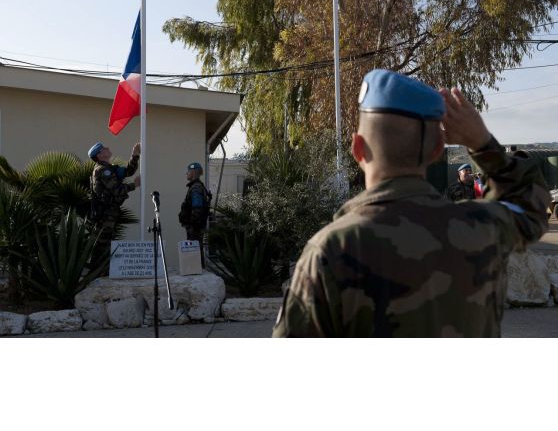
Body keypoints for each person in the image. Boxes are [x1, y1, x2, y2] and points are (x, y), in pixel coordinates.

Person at [272, 69, 550, 338]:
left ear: (357, 148)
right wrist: (481, 142)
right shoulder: (484, 228)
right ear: (436, 151)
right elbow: (531, 205)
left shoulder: (330, 251)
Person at [88, 142, 141, 274]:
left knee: (105, 244)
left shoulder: (109, 168)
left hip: (110, 213)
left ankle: (101, 272)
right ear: (99, 155)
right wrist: (133, 186)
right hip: (105, 214)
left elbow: (128, 171)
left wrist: (134, 155)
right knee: (102, 245)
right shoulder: (102, 170)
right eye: (104, 149)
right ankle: (97, 274)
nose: (108, 148)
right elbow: (117, 190)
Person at [178, 162, 212, 268]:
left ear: (193, 172)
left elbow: (197, 207)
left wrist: (192, 223)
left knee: (195, 251)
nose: (186, 174)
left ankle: (198, 273)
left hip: (194, 228)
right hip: (196, 227)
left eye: (188, 172)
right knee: (197, 250)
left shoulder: (196, 188)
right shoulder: (197, 186)